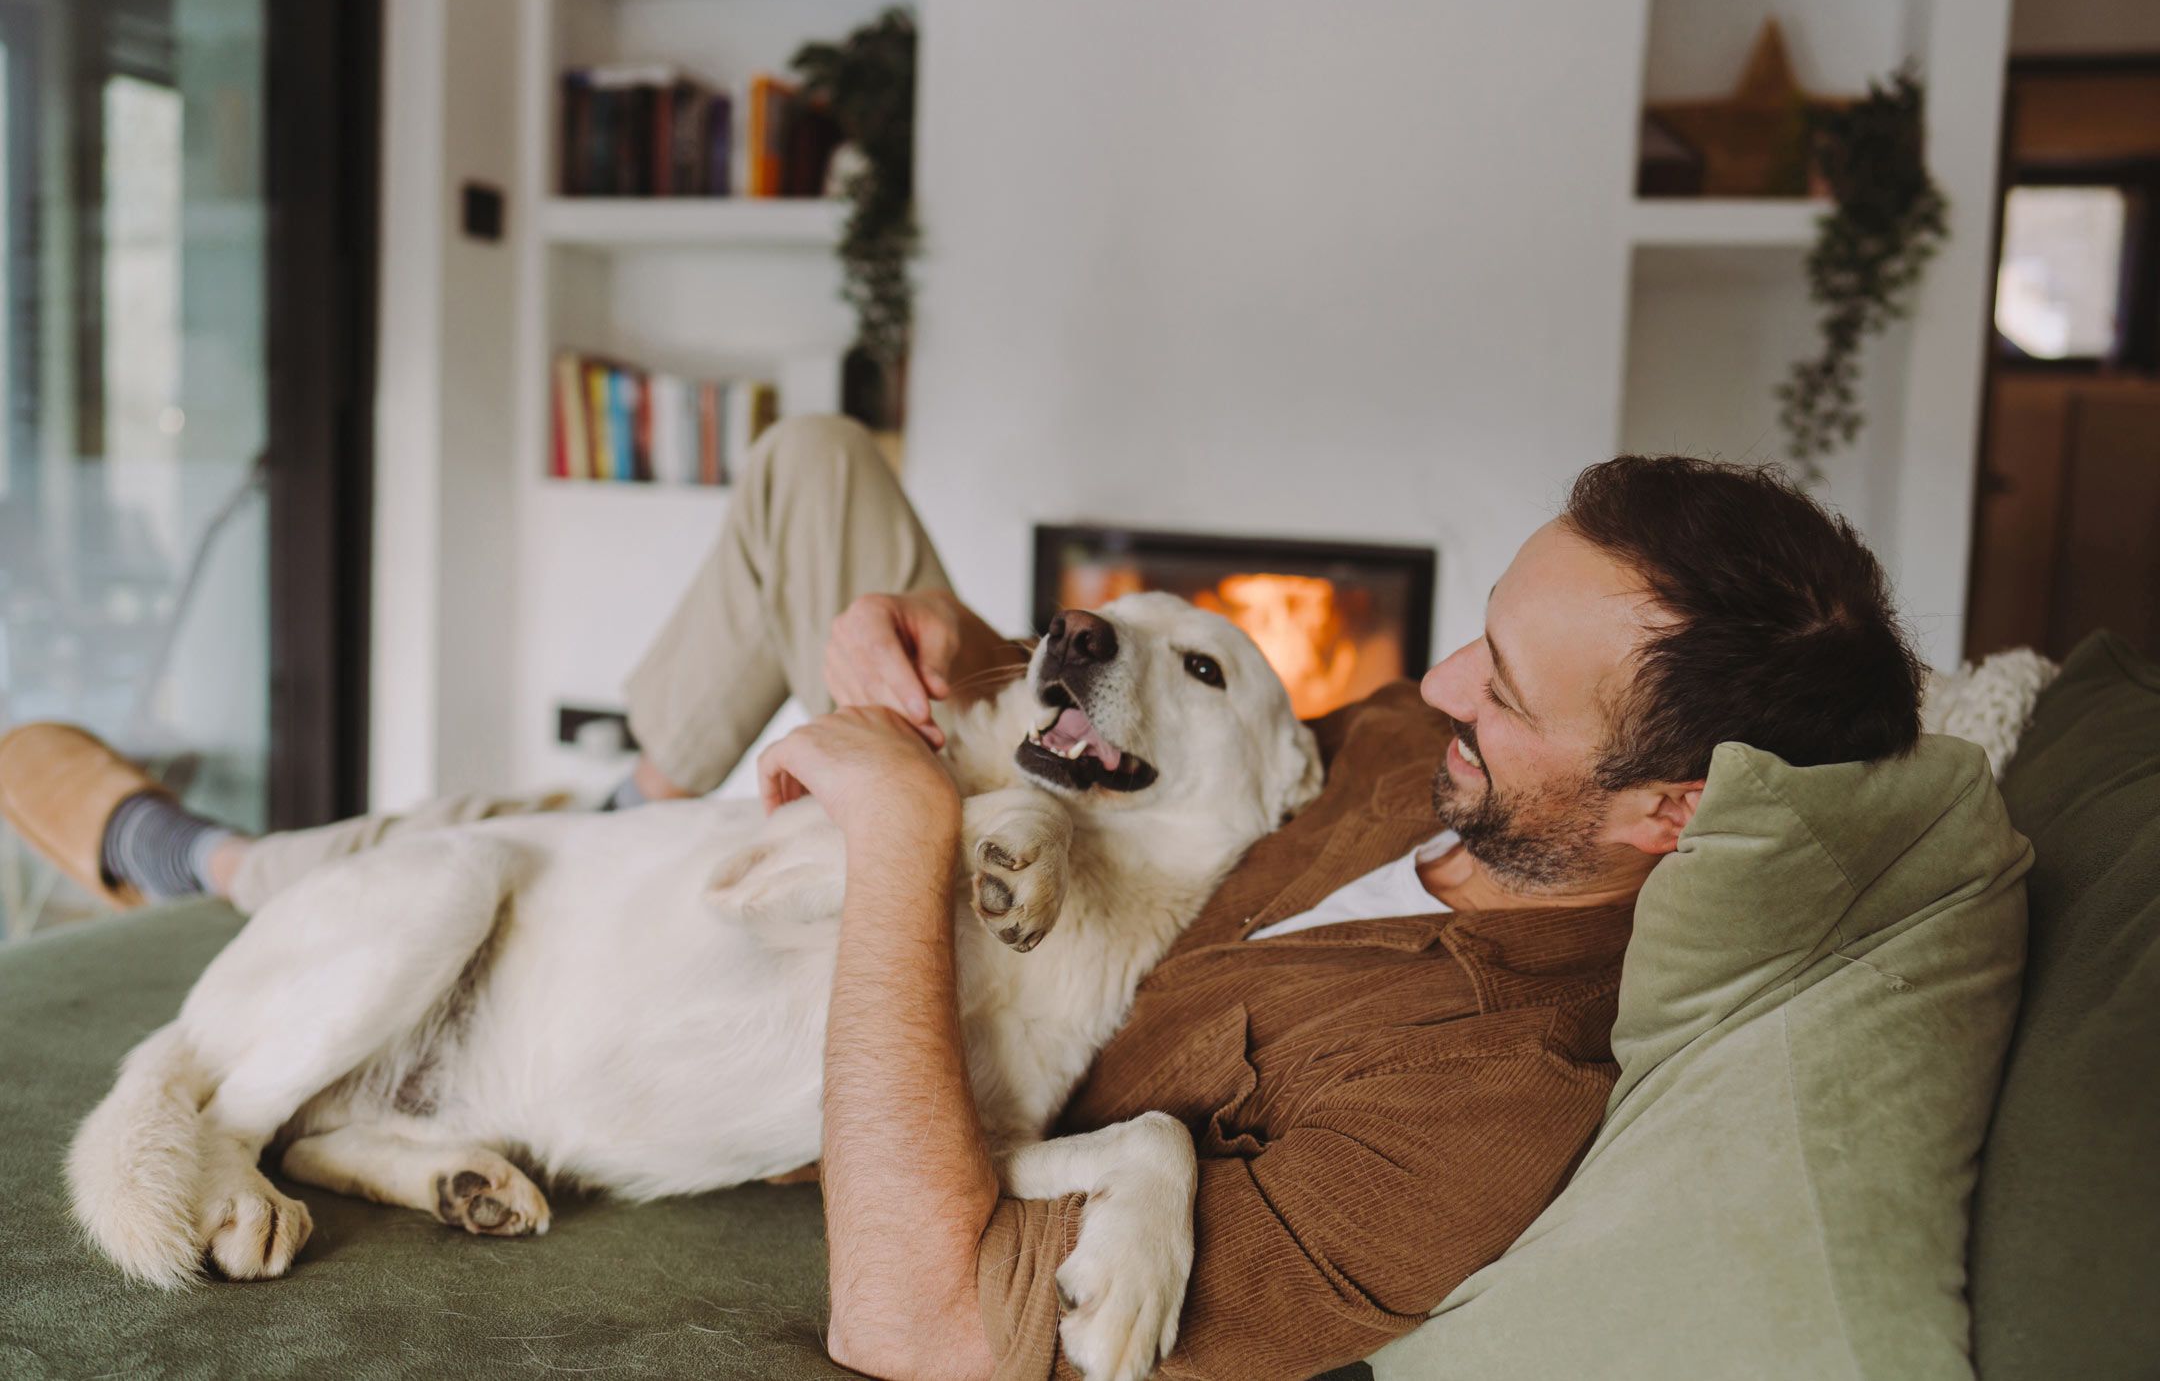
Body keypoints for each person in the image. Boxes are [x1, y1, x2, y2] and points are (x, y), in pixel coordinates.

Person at [0, 415, 1927, 1380]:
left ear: (1670, 813)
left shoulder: (1483, 1096)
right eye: (1472, 639)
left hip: (904, 921)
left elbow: (933, 1312)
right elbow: (1178, 702)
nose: (1425, 690)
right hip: (984, 816)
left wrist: (911, 831)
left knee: (439, 874)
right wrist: (981, 656)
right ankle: (388, 842)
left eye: (1497, 689)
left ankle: (211, 865)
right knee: (820, 471)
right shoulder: (1423, 764)